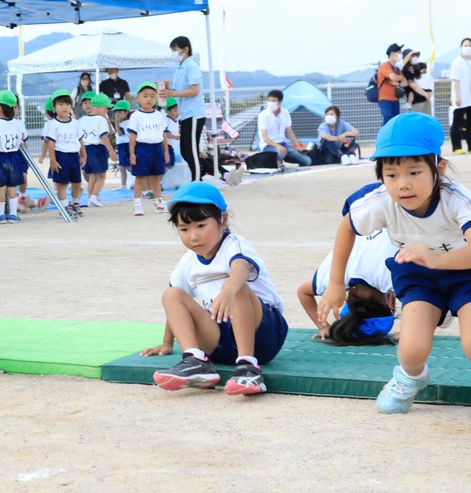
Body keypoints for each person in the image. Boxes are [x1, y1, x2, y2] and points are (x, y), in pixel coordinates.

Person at [318, 113, 471, 424]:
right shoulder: (381, 200)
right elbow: (348, 227)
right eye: (392, 174)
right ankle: (411, 376)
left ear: (438, 168)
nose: (403, 184)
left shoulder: (455, 199)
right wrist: (334, 283)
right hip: (419, 273)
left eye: (414, 171)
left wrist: (438, 259)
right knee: (411, 349)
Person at [140, 181, 288, 395]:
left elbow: (241, 268)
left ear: (223, 219)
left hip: (263, 333)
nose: (194, 236)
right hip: (221, 338)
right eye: (184, 229)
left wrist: (228, 290)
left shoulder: (234, 244)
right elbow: (176, 307)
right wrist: (166, 342)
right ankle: (196, 362)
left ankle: (249, 368)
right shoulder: (189, 261)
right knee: (171, 294)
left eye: (201, 226)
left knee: (237, 286)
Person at [296, 183, 396, 340]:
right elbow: (303, 292)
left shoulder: (394, 281)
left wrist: (412, 333)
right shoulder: (327, 280)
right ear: (349, 297)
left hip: (391, 207)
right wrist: (323, 326)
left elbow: (428, 303)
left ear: (390, 302)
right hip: (356, 204)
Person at [160, 36, 206, 181]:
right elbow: (179, 90)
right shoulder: (180, 68)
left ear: (185, 49)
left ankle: (197, 182)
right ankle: (198, 179)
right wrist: (169, 89)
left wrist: (172, 93)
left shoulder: (192, 66)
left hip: (194, 114)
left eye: (175, 49)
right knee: (186, 151)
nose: (174, 53)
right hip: (185, 114)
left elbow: (194, 90)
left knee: (191, 151)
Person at [127, 84, 171, 216]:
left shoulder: (159, 115)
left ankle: (159, 202)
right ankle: (137, 204)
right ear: (138, 98)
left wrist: (166, 151)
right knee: (140, 177)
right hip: (142, 148)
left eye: (152, 96)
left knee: (156, 177)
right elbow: (132, 136)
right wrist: (132, 153)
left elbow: (163, 134)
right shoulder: (135, 116)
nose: (149, 99)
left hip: (157, 148)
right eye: (145, 96)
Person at [0, 90, 27, 224]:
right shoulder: (18, 123)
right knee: (12, 187)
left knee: (1, 187)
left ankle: (0, 215)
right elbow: (23, 138)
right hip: (14, 157)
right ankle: (13, 215)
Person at [42, 89, 86, 215]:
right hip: (61, 156)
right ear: (54, 107)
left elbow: (80, 140)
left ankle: (75, 203)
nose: (64, 107)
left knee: (77, 182)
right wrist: (53, 160)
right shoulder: (53, 124)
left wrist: (84, 155)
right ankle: (64, 207)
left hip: (74, 156)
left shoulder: (75, 123)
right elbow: (51, 143)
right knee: (62, 184)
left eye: (67, 104)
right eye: (60, 104)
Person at [78, 91, 116, 208]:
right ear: (100, 108)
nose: (107, 112)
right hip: (97, 149)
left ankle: (90, 198)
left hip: (85, 149)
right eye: (106, 109)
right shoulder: (101, 120)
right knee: (101, 176)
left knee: (92, 176)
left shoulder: (81, 120)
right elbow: (104, 136)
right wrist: (111, 150)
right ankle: (94, 196)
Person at [256, 89, 312, 166]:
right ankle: (275, 160)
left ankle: (280, 159)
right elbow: (265, 138)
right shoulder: (263, 115)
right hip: (268, 145)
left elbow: (289, 131)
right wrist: (278, 146)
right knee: (280, 153)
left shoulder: (285, 112)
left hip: (283, 144)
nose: (270, 103)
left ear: (280, 102)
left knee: (307, 161)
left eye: (273, 101)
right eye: (269, 100)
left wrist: (299, 147)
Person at [449, 37, 471, 154]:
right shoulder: (457, 62)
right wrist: (457, 96)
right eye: (465, 45)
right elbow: (455, 80)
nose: (467, 47)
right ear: (461, 47)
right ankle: (456, 147)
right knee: (457, 122)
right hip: (462, 97)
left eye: (469, 45)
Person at [377, 43, 408, 126]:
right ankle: (384, 137)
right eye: (398, 52)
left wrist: (397, 82)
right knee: (388, 118)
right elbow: (393, 77)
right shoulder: (385, 65)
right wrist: (399, 79)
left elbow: (405, 82)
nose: (400, 54)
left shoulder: (397, 69)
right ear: (392, 53)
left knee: (395, 121)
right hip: (385, 99)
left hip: (395, 99)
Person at [402, 49, 433, 114]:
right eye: (412, 56)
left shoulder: (416, 68)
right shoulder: (405, 70)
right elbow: (413, 85)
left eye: (415, 56)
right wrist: (426, 94)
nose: (414, 58)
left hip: (426, 99)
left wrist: (429, 92)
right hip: (415, 102)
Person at [112, 100, 132, 190]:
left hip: (126, 145)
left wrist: (116, 122)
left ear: (126, 112)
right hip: (121, 145)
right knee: (121, 166)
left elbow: (120, 133)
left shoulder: (128, 123)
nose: (117, 114)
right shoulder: (121, 123)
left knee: (128, 166)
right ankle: (123, 184)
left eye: (120, 111)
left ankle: (142, 179)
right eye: (116, 111)